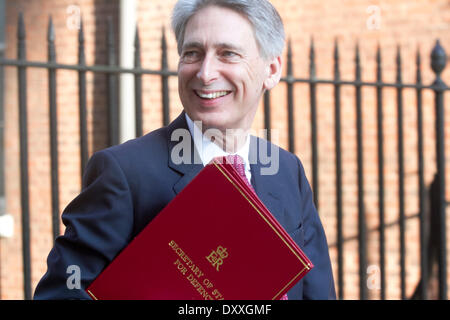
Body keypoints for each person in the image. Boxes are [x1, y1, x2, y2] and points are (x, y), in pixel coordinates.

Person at [34, 0, 336, 300]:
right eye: (192, 53)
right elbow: (62, 293)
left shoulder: (287, 171)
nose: (205, 73)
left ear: (271, 70)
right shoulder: (125, 173)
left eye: (227, 54)